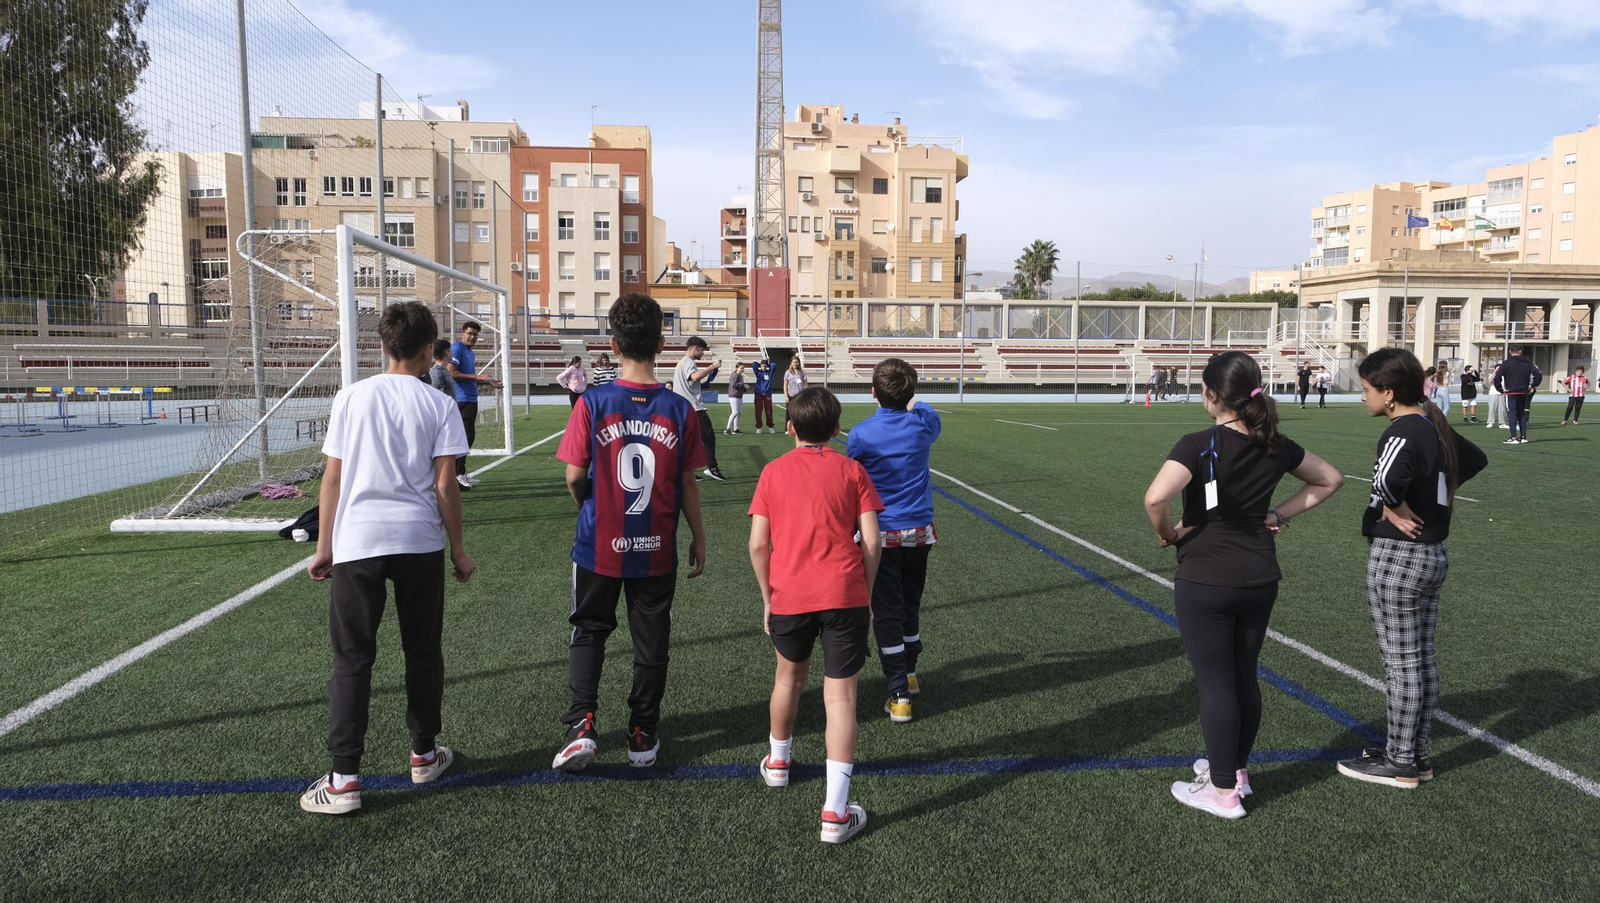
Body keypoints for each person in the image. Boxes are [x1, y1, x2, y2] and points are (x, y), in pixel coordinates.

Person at [1142, 351, 1343, 819]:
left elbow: (1156, 497)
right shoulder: (1275, 442)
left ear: (1212, 396)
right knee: (1243, 675)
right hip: (1259, 575)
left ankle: (1223, 791)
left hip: (1206, 576)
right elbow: (1330, 479)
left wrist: (1167, 533)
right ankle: (1235, 771)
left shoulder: (1198, 443)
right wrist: (1277, 514)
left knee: (1215, 684)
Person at [300, 301, 475, 816]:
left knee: (353, 660)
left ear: (381, 346)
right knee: (423, 651)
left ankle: (344, 781)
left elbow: (332, 477)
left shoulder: (350, 397)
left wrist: (324, 545)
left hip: (357, 544)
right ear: (428, 350)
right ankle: (423, 755)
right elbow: (446, 485)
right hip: (419, 542)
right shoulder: (438, 404)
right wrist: (459, 550)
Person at [551, 293, 708, 773]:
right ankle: (643, 733)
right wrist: (699, 537)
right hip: (657, 545)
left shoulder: (594, 401)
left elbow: (574, 476)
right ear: (662, 344)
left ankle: (582, 726)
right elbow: (686, 483)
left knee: (589, 631)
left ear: (614, 344)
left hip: (600, 541)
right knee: (651, 640)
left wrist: (590, 506)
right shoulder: (679, 409)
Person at [1339, 347, 1487, 788]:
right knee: (1420, 659)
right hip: (1432, 554)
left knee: (1400, 663)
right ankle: (1415, 752)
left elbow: (1384, 482)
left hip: (1401, 557)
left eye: (1366, 390)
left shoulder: (1402, 429)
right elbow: (1475, 459)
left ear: (1388, 393)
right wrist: (1430, 496)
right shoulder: (1432, 425)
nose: (1362, 397)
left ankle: (1400, 759)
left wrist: (1398, 506)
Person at [749, 386, 883, 844]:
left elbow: (756, 544)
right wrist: (863, 592)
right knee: (842, 699)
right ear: (836, 428)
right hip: (844, 594)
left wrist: (768, 596)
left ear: (790, 428)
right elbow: (872, 541)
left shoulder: (772, 472)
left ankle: (779, 763)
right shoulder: (853, 471)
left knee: (788, 680)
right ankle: (835, 812)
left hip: (790, 595)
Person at [846, 358, 942, 723]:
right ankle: (910, 673)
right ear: (912, 391)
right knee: (910, 603)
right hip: (919, 531)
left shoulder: (861, 433)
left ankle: (899, 693)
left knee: (886, 611)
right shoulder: (923, 425)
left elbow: (854, 476)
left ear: (873, 392)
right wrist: (913, 401)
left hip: (880, 533)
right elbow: (924, 409)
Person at [448, 321, 503, 491]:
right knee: (464, 437)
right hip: (462, 400)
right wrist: (477, 377)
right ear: (462, 333)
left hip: (471, 399)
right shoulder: (457, 348)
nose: (472, 337)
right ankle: (457, 474)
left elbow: (468, 378)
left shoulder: (470, 353)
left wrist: (486, 382)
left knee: (468, 437)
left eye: (475, 335)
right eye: (469, 333)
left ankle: (460, 473)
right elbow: (451, 372)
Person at [672, 337, 727, 482]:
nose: (702, 353)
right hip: (693, 408)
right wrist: (712, 367)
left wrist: (703, 385)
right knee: (708, 437)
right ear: (695, 348)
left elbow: (689, 383)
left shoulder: (681, 363)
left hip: (682, 407)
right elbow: (694, 377)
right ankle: (712, 468)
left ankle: (687, 471)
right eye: (702, 350)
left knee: (689, 441)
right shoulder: (689, 362)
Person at [1493, 345, 1542, 444]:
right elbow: (1538, 374)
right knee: (1522, 414)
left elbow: (1497, 377)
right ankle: (1523, 437)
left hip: (1511, 391)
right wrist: (1532, 386)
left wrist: (1501, 390)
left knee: (1512, 413)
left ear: (1510, 351)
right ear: (1520, 351)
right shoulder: (1527, 362)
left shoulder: (1507, 363)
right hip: (1523, 391)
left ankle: (1513, 437)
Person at [752, 357, 776, 434]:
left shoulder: (770, 372)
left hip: (767, 393)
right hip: (758, 393)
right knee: (758, 410)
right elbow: (754, 364)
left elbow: (774, 365)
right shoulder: (758, 372)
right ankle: (758, 427)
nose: (764, 368)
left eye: (765, 366)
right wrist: (760, 364)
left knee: (769, 411)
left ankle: (770, 426)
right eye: (762, 366)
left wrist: (768, 364)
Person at [783, 357, 808, 427]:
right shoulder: (788, 372)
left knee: (800, 412)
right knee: (789, 413)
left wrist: (805, 394)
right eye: (793, 362)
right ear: (791, 363)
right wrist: (786, 396)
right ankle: (788, 428)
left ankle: (799, 427)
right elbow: (785, 385)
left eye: (796, 362)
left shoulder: (803, 372)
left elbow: (805, 384)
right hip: (791, 395)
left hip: (800, 395)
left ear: (799, 363)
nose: (795, 364)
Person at [725, 362, 748, 435]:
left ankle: (735, 429)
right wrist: (742, 385)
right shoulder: (735, 375)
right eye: (741, 368)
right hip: (733, 395)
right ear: (737, 368)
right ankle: (727, 428)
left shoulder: (740, 376)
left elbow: (738, 385)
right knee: (735, 412)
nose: (742, 369)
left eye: (743, 368)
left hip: (739, 395)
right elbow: (733, 384)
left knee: (738, 412)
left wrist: (744, 388)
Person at [1485, 361, 1507, 430]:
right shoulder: (1492, 375)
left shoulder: (1504, 376)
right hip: (1493, 394)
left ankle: (1502, 423)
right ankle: (1490, 422)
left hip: (1502, 393)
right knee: (1492, 408)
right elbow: (1489, 381)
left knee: (1502, 409)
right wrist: (1495, 372)